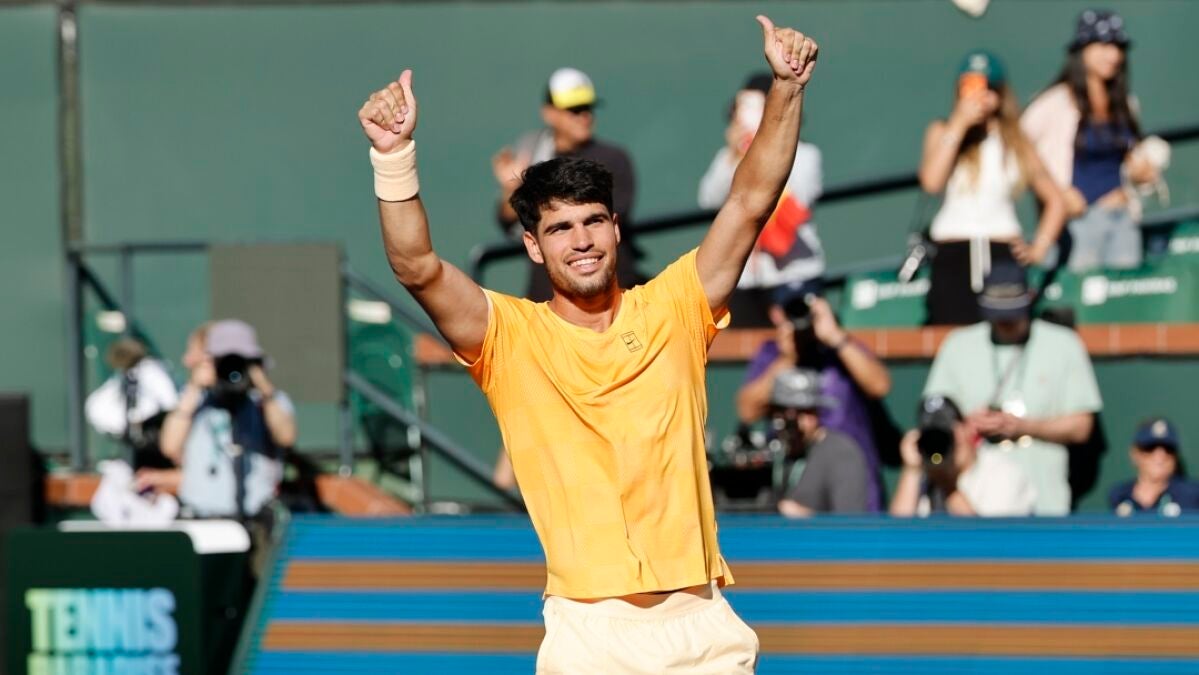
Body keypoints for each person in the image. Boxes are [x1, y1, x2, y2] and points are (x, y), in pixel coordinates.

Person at [358, 15, 818, 672]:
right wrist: (393, 156)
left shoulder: (675, 306)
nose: (581, 241)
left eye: (594, 221)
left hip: (704, 627)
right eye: (560, 228)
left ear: (616, 229)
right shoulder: (510, 337)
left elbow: (750, 201)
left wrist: (786, 87)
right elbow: (417, 267)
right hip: (590, 637)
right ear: (532, 245)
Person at [923, 262, 1102, 515]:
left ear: (1029, 297)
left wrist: (1024, 427)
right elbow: (934, 419)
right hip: (972, 503)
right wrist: (967, 425)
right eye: (998, 313)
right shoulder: (958, 344)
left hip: (1044, 504)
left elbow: (1082, 426)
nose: (1005, 321)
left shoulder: (1063, 343)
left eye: (1012, 312)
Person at [918, 50, 1066, 326]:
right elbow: (932, 182)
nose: (981, 97)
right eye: (972, 87)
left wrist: (1039, 247)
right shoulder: (943, 130)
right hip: (954, 254)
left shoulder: (1016, 140)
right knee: (951, 333)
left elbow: (1055, 200)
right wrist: (960, 123)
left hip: (1002, 254)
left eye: (988, 89)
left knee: (1004, 332)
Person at [1022, 9, 1160, 272]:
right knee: (1082, 294)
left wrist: (1140, 172)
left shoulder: (1126, 103)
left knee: (1123, 295)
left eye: (1118, 47)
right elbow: (1017, 147)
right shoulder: (1054, 102)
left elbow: (1125, 156)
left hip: (1123, 220)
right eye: (1104, 45)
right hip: (1078, 224)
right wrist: (1055, 193)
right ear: (1082, 49)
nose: (1113, 55)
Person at [736, 281, 891, 511]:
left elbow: (880, 386)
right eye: (792, 309)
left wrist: (835, 337)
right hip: (795, 486)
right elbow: (747, 410)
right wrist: (787, 358)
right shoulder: (772, 352)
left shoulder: (840, 347)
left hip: (849, 485)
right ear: (777, 314)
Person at [492, 67, 643, 301]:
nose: (585, 116)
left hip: (608, 290)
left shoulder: (614, 158)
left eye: (588, 108)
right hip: (547, 294)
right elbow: (509, 221)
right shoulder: (532, 153)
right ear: (549, 113)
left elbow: (615, 213)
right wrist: (511, 190)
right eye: (574, 109)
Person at [699, 72, 825, 325]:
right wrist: (736, 156)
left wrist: (769, 143)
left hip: (793, 271)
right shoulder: (729, 157)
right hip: (744, 276)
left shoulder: (806, 154)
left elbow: (802, 199)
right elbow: (708, 198)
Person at [159, 319, 297, 520]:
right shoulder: (196, 402)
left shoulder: (267, 401)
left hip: (255, 517)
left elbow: (286, 437)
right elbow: (169, 446)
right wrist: (195, 387)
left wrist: (262, 385)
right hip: (200, 515)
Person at [890, 395, 1036, 517]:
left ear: (967, 429)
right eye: (933, 437)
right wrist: (911, 470)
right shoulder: (924, 474)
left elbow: (989, 538)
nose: (942, 442)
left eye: (948, 431)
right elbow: (897, 535)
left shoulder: (1002, 473)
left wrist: (947, 485)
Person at [771, 368, 870, 517]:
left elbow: (850, 522)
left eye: (803, 411)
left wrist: (803, 516)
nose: (792, 421)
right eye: (782, 411)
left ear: (816, 412)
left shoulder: (840, 453)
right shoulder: (773, 450)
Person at [84, 337, 179, 470]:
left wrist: (140, 417)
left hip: (154, 439)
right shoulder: (121, 378)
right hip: (133, 441)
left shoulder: (150, 370)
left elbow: (169, 401)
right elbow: (98, 410)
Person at [1110, 418, 1199, 517]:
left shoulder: (1192, 495)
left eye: (1168, 449)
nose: (1160, 456)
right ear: (1135, 453)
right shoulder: (1120, 495)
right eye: (1150, 447)